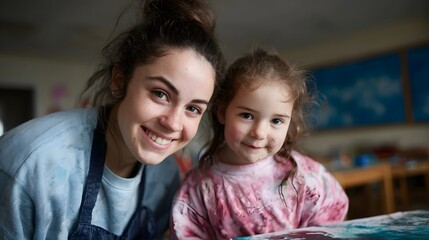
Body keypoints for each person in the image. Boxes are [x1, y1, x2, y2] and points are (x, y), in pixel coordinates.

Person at [0, 0, 225, 239]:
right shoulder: (30, 164)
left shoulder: (165, 176)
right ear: (119, 80)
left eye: (193, 109)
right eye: (160, 94)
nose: (173, 123)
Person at [170, 48, 349, 239]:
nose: (259, 133)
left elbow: (332, 224)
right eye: (247, 115)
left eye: (276, 121)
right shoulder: (199, 187)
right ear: (222, 112)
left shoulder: (306, 175)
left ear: (289, 123)